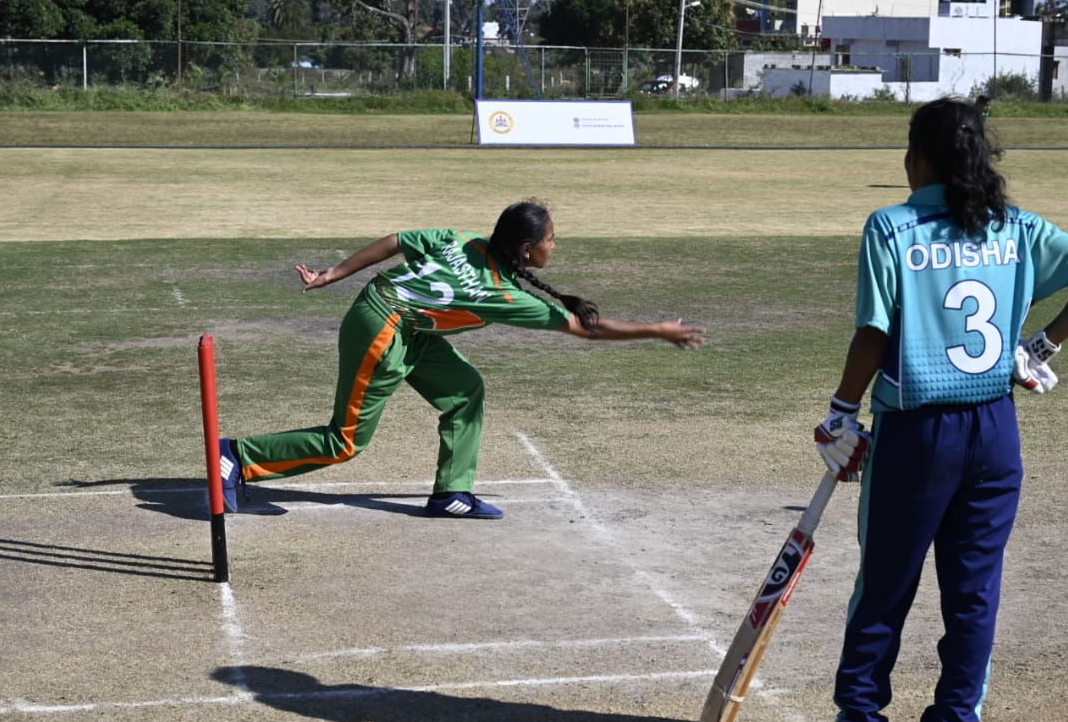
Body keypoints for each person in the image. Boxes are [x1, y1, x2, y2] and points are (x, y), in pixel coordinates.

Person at [813, 97, 1068, 722]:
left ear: (915, 157)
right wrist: (1036, 346)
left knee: (885, 583)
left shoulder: (891, 227)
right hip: (993, 428)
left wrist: (840, 409)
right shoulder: (1014, 226)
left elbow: (876, 330)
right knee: (973, 591)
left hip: (915, 427)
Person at [217, 200, 706, 518]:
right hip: (382, 326)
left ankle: (451, 493)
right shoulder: (502, 294)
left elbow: (395, 241)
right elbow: (587, 329)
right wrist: (657, 331)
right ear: (527, 250)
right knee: (345, 441)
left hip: (411, 327)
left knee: (465, 390)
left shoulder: (465, 239)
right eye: (552, 239)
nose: (556, 245)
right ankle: (237, 456)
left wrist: (336, 274)